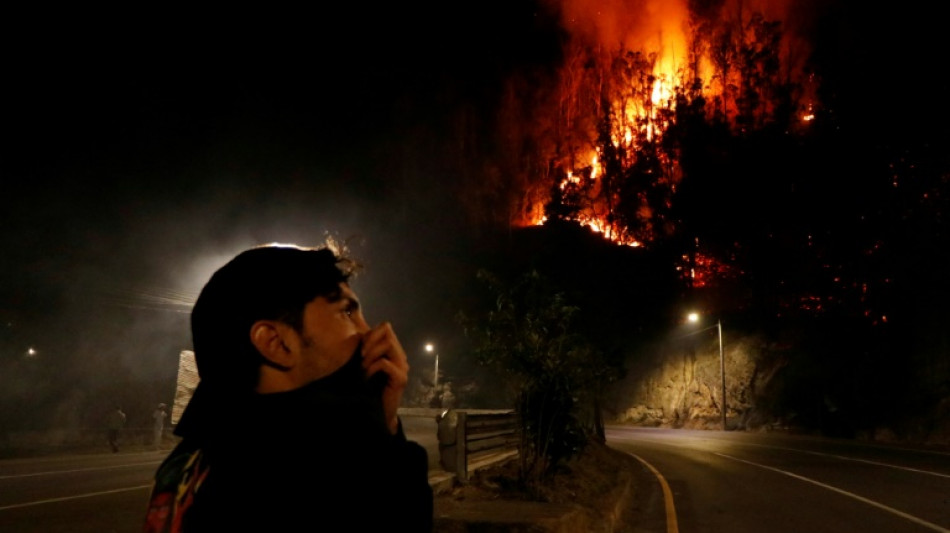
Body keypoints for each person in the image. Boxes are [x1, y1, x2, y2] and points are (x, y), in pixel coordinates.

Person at [143, 243, 433, 532]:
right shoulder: (309, 474)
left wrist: (385, 421)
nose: (369, 333)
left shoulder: (192, 460)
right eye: (346, 312)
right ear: (275, 343)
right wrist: (383, 446)